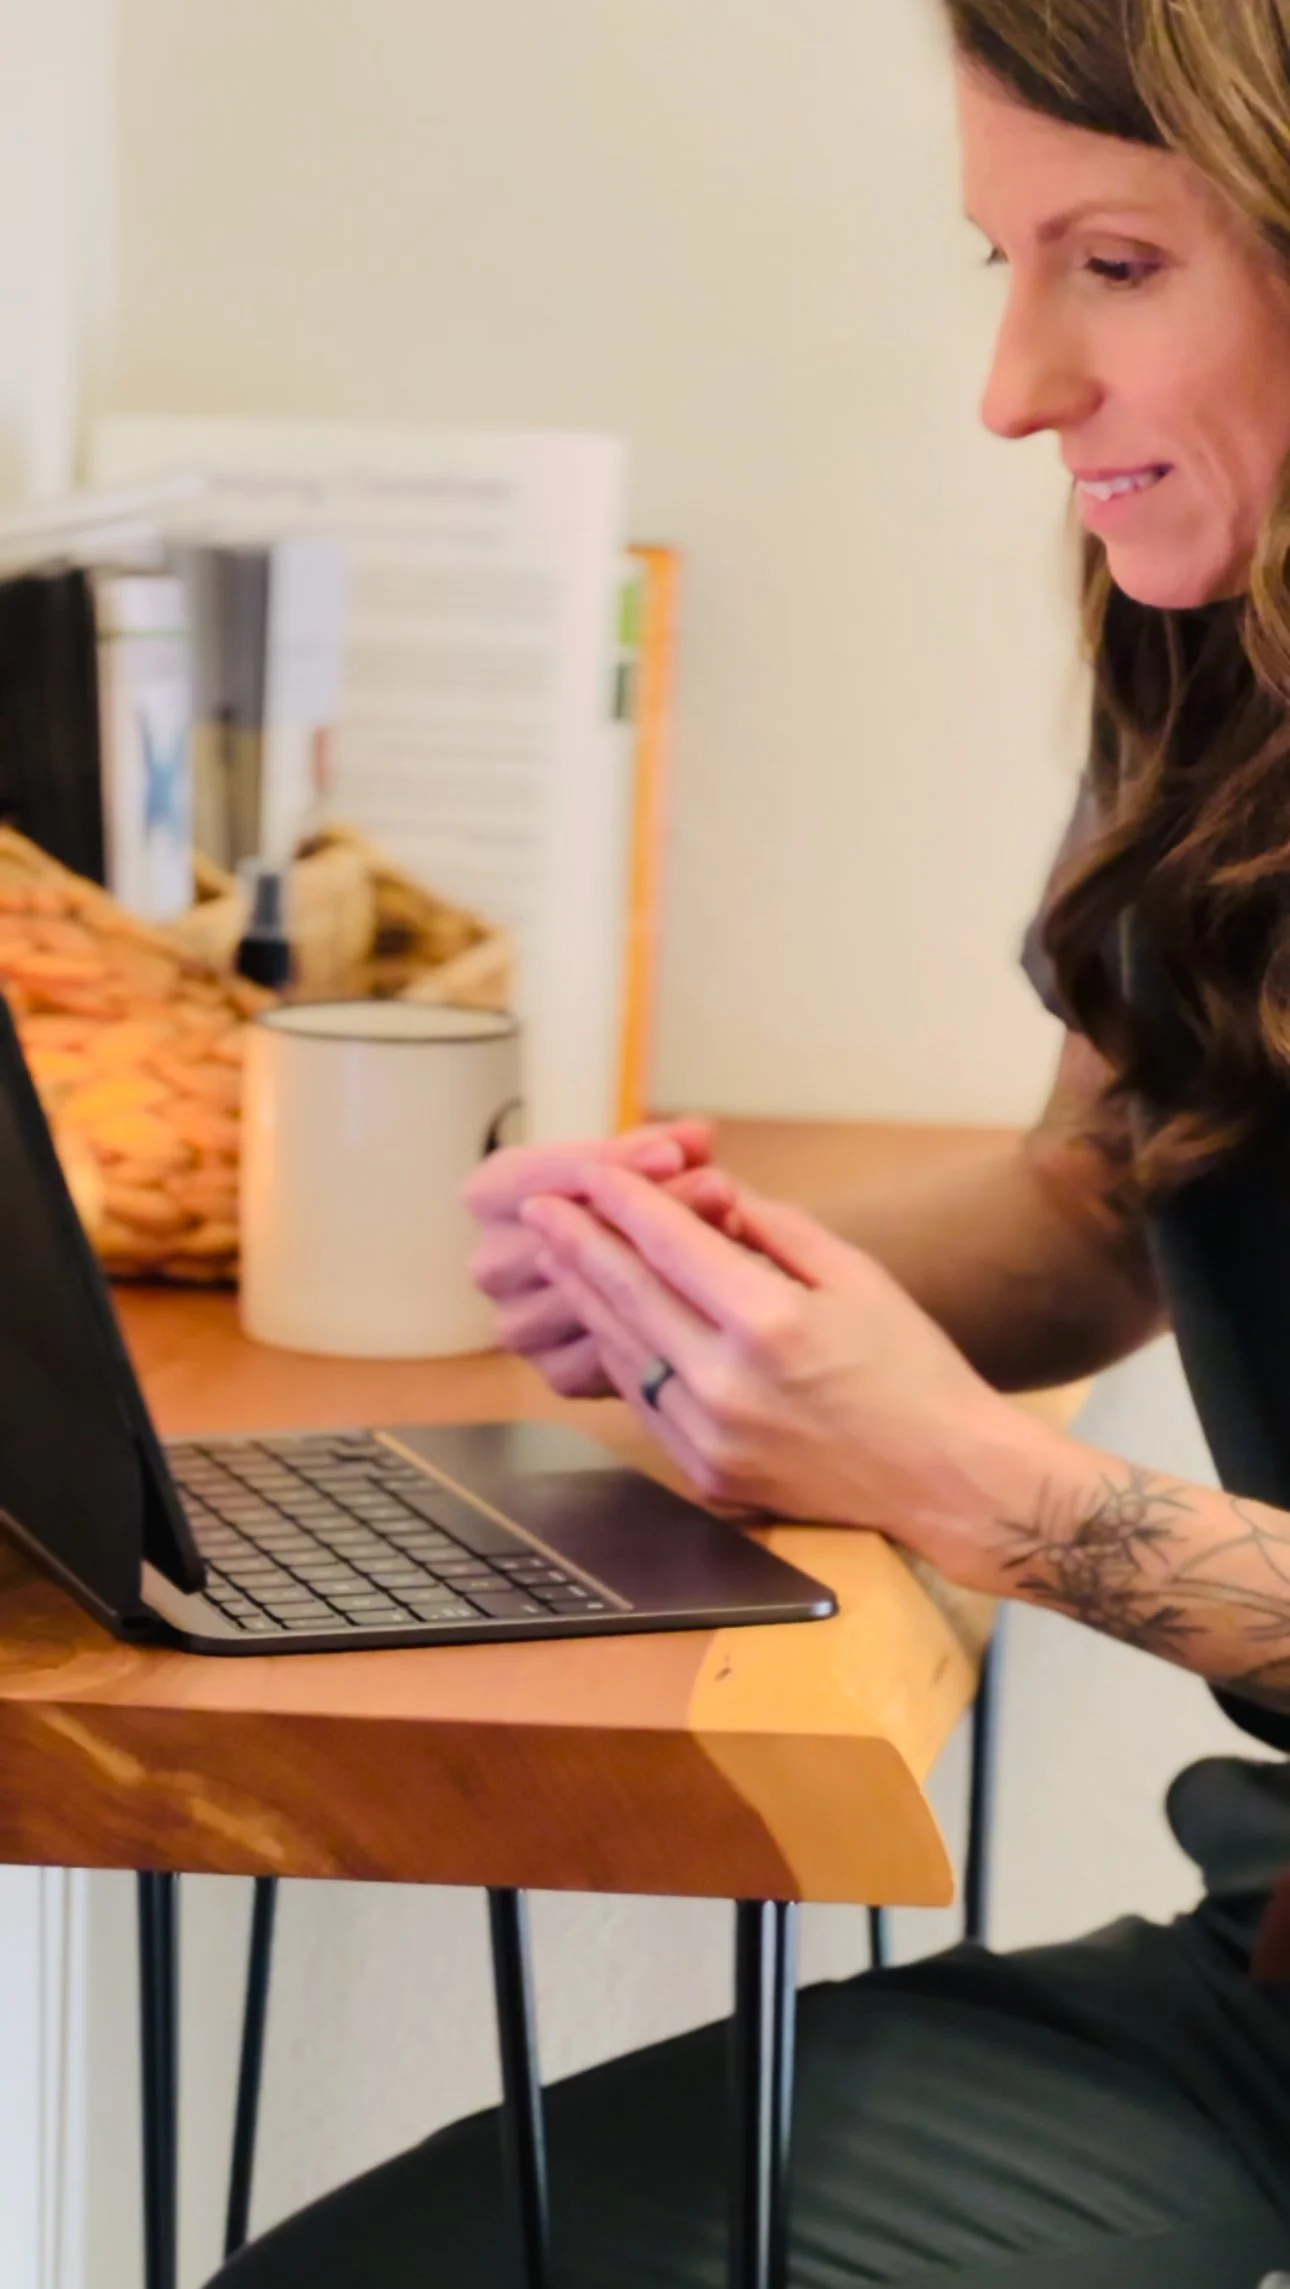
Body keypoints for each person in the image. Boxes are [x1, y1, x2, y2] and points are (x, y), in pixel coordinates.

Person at [211, 2, 1290, 2281]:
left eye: (1112, 266)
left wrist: (974, 1485)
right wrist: (726, 1298)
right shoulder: (1221, 677)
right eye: (1002, 264)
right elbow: (1097, 1207)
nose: (1015, 386)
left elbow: (998, 1453)